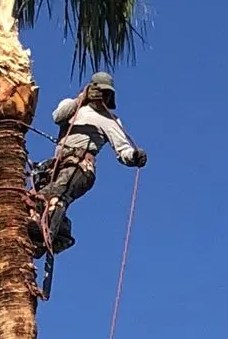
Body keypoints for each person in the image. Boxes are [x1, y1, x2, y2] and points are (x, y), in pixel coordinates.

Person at [29, 72, 147, 257]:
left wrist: (134, 156)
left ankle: (46, 237)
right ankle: (60, 232)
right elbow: (57, 117)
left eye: (106, 93)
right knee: (35, 200)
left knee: (56, 196)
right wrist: (81, 98)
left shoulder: (111, 121)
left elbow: (122, 149)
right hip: (58, 166)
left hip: (81, 166)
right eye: (99, 91)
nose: (102, 96)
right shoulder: (72, 107)